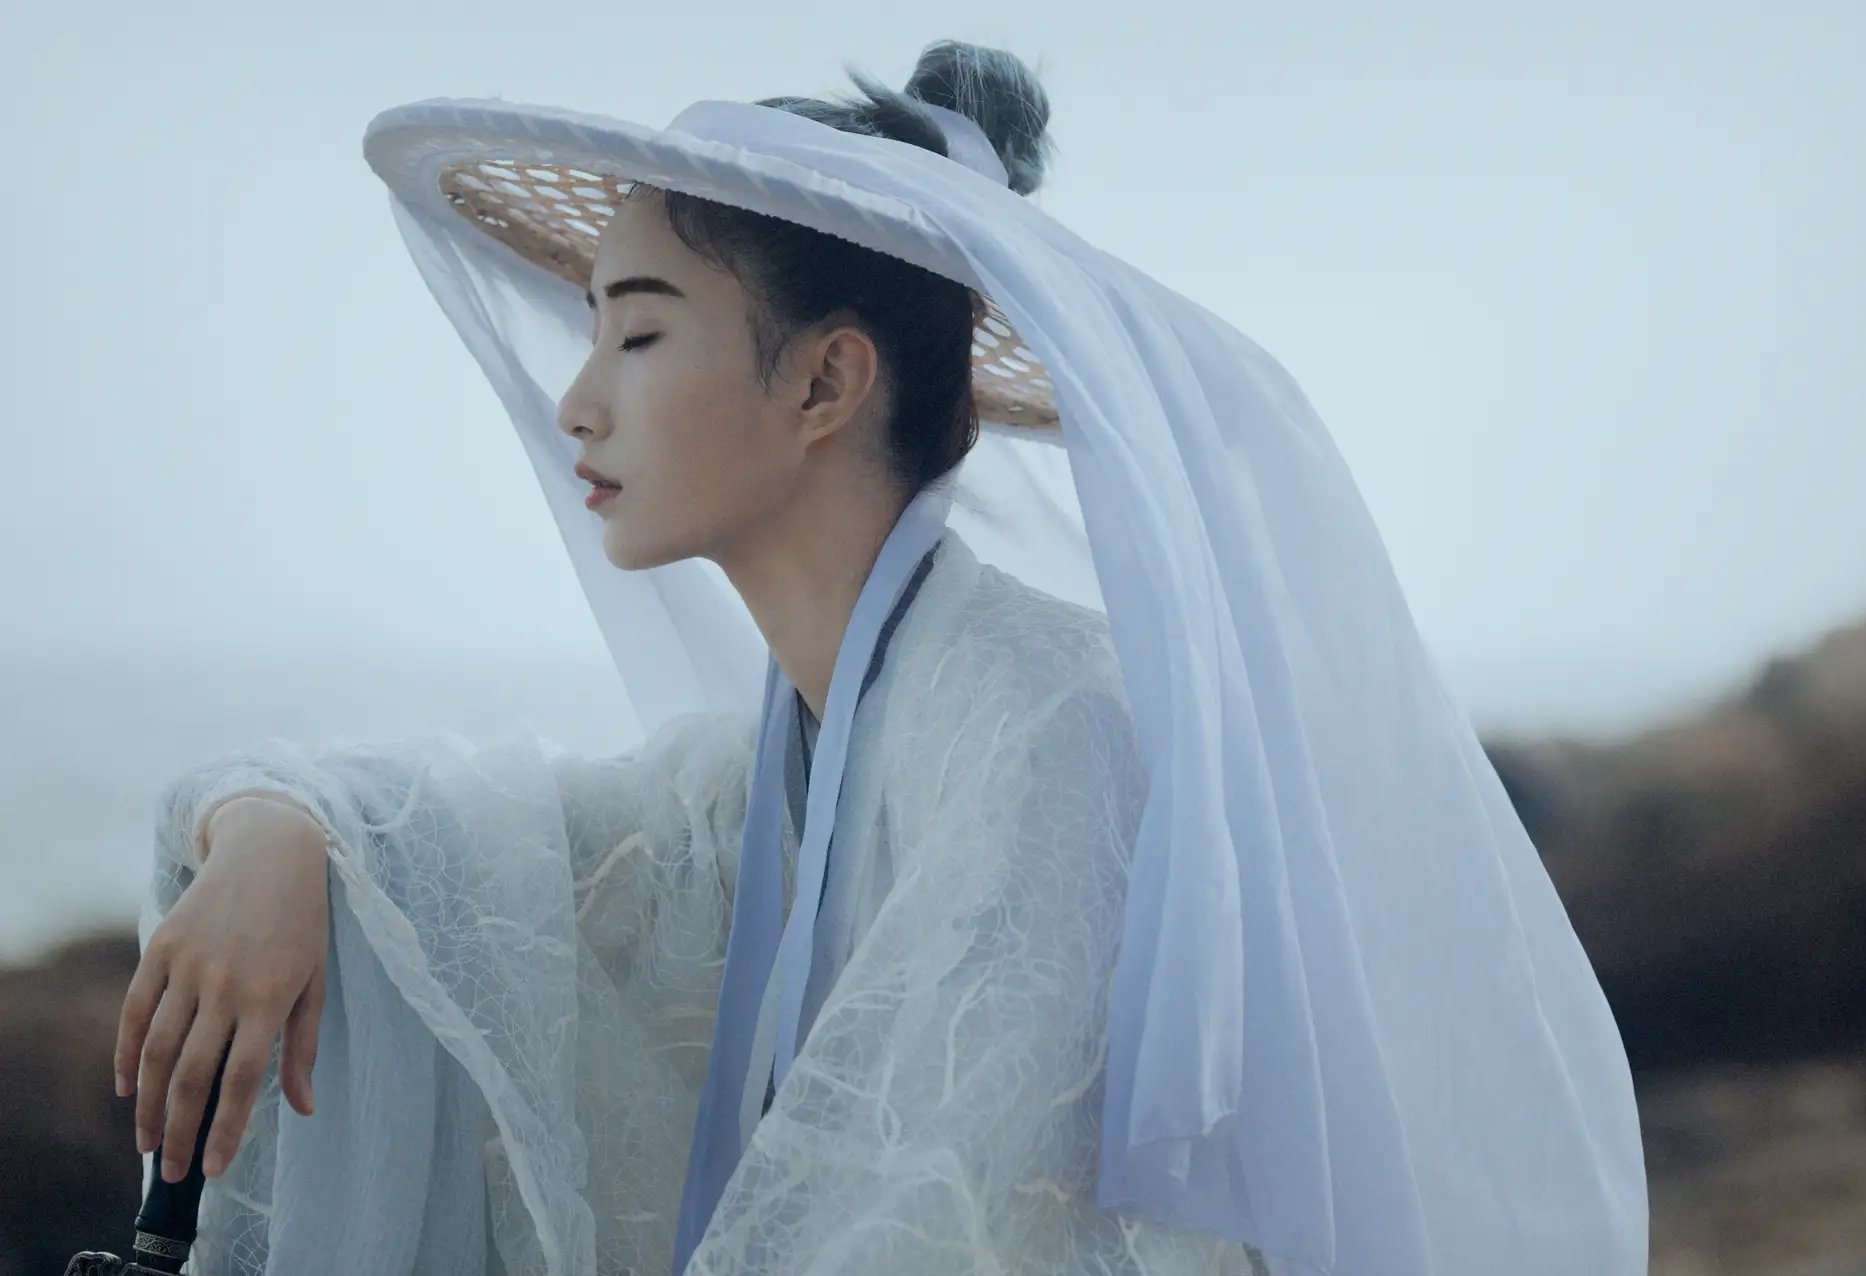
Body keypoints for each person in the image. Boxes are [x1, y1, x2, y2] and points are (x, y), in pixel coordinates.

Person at [115, 40, 1648, 1276]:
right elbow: (476, 853)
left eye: (636, 335)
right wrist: (278, 835)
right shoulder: (789, 754)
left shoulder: (1043, 727)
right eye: (591, 334)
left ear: (826, 382)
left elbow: (921, 1214)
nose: (578, 401)